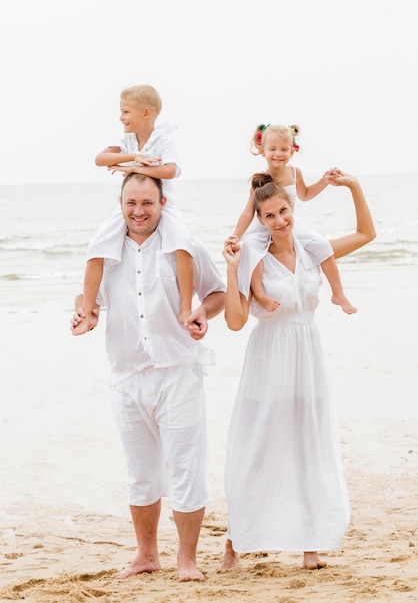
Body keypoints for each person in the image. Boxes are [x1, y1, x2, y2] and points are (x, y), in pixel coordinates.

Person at [71, 173, 225, 581]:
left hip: (177, 373)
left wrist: (202, 313)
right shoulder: (106, 250)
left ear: (162, 202)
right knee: (140, 472)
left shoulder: (184, 246)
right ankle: (146, 555)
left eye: (147, 203)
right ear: (120, 204)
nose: (138, 212)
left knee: (185, 467)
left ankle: (186, 560)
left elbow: (218, 293)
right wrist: (85, 314)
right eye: (131, 203)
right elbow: (88, 298)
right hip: (126, 375)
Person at [221, 171, 376, 571]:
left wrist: (354, 186)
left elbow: (365, 234)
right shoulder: (253, 259)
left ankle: (311, 545)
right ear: (259, 220)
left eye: (284, 211)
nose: (279, 221)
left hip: (308, 357)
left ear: (294, 209)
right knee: (258, 447)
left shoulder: (312, 251)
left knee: (310, 445)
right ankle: (234, 542)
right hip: (268, 359)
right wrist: (230, 268)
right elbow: (235, 323)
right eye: (269, 215)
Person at [72, 84, 194, 335]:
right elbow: (100, 159)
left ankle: (185, 308)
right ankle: (87, 309)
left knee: (183, 243)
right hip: (131, 206)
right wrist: (134, 158)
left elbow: (170, 170)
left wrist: (134, 170)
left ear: (146, 113)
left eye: (126, 112)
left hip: (163, 205)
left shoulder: (163, 140)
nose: (121, 117)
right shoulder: (127, 141)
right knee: (98, 245)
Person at [233, 124, 356, 314]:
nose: (278, 154)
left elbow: (305, 194)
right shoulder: (260, 180)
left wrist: (324, 182)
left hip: (289, 226)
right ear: (262, 150)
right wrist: (236, 236)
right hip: (264, 226)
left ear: (292, 150)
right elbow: (249, 211)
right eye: (272, 149)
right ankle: (259, 293)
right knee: (250, 249)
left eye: (284, 149)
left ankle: (337, 293)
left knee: (323, 244)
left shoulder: (295, 172)